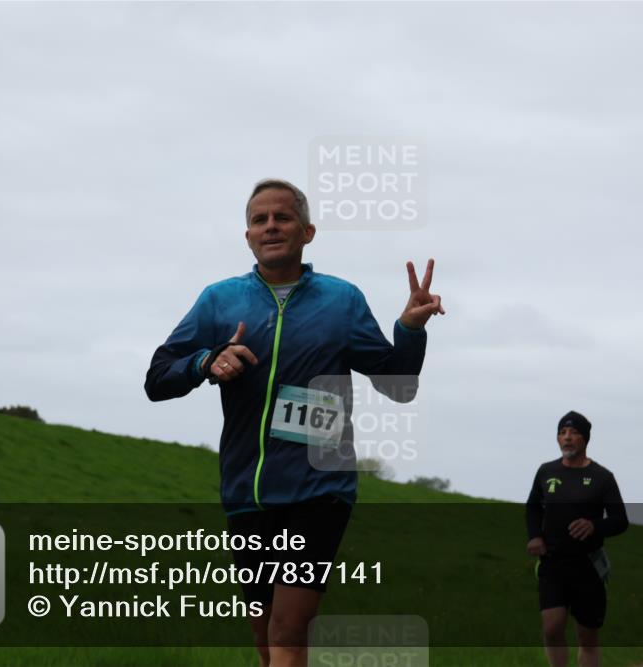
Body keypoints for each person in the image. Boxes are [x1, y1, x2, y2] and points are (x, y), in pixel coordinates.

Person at [144, 178, 444, 667]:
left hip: (319, 488)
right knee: (267, 640)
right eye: (259, 220)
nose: (270, 227)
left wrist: (409, 329)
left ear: (307, 231)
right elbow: (158, 379)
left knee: (288, 628)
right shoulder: (219, 301)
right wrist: (206, 361)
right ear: (247, 237)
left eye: (281, 217)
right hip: (247, 490)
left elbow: (397, 384)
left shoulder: (342, 301)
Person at [525, 411, 628, 667]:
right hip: (553, 562)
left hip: (588, 566)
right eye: (562, 433)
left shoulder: (602, 477)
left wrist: (594, 526)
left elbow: (619, 520)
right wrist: (535, 536)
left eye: (573, 433)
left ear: (585, 439)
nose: (567, 438)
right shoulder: (546, 471)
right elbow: (533, 507)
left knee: (587, 637)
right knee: (551, 627)